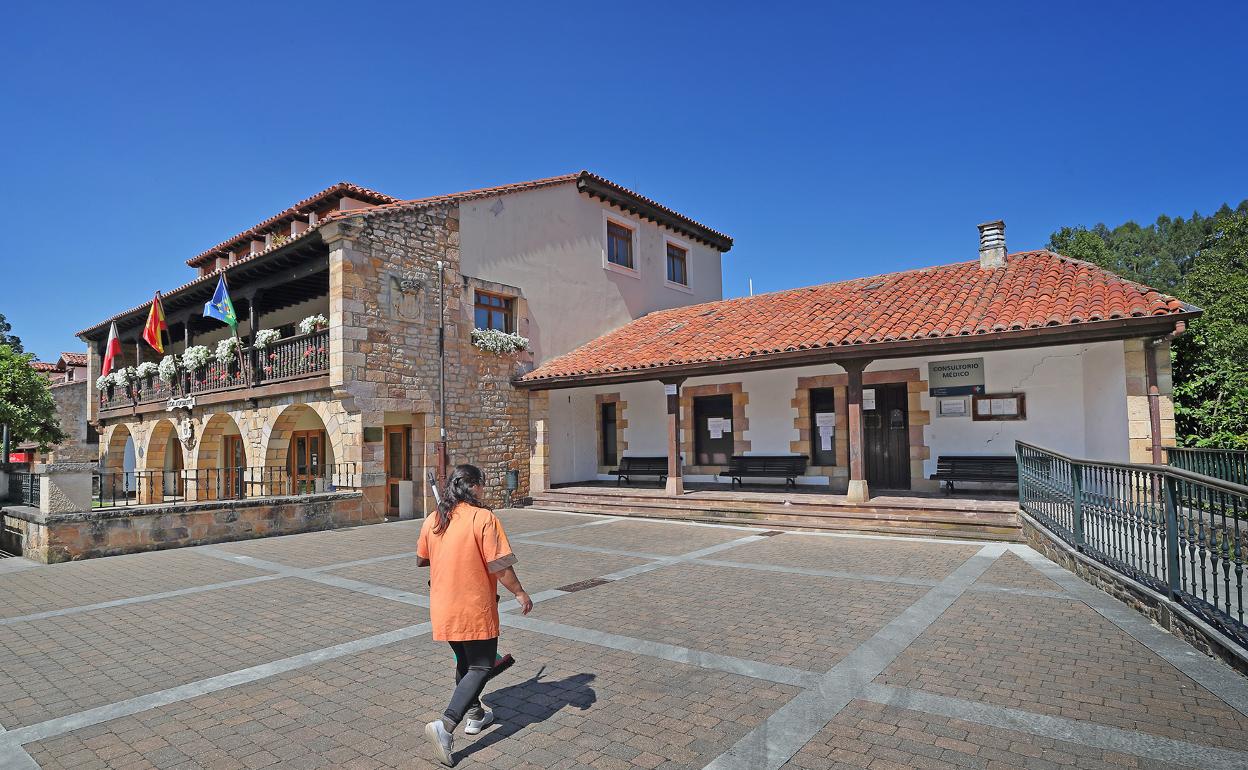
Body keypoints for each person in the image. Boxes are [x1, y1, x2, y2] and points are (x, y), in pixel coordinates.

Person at [418, 464, 532, 767]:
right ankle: (446, 725)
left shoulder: (434, 519)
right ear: (474, 487)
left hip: (444, 604)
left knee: (465, 663)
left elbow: (422, 557)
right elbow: (501, 566)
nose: (484, 490)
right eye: (482, 485)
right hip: (473, 605)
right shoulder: (483, 518)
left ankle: (475, 715)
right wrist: (520, 592)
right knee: (480, 666)